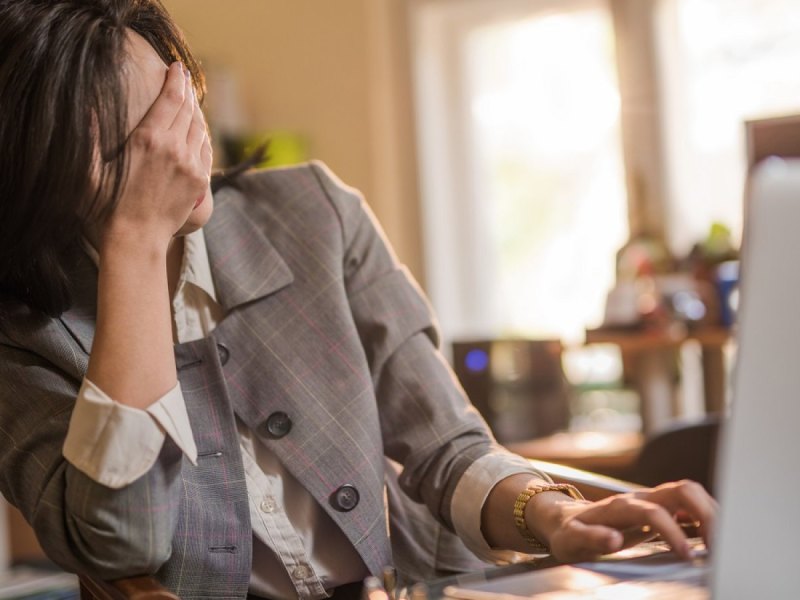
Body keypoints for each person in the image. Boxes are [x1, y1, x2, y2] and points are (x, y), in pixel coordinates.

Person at [0, 1, 717, 599]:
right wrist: (136, 244)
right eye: (139, 144)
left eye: (175, 105)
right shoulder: (20, 331)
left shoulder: (315, 212)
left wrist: (554, 515)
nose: (182, 153)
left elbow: (448, 449)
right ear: (44, 165)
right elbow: (122, 536)